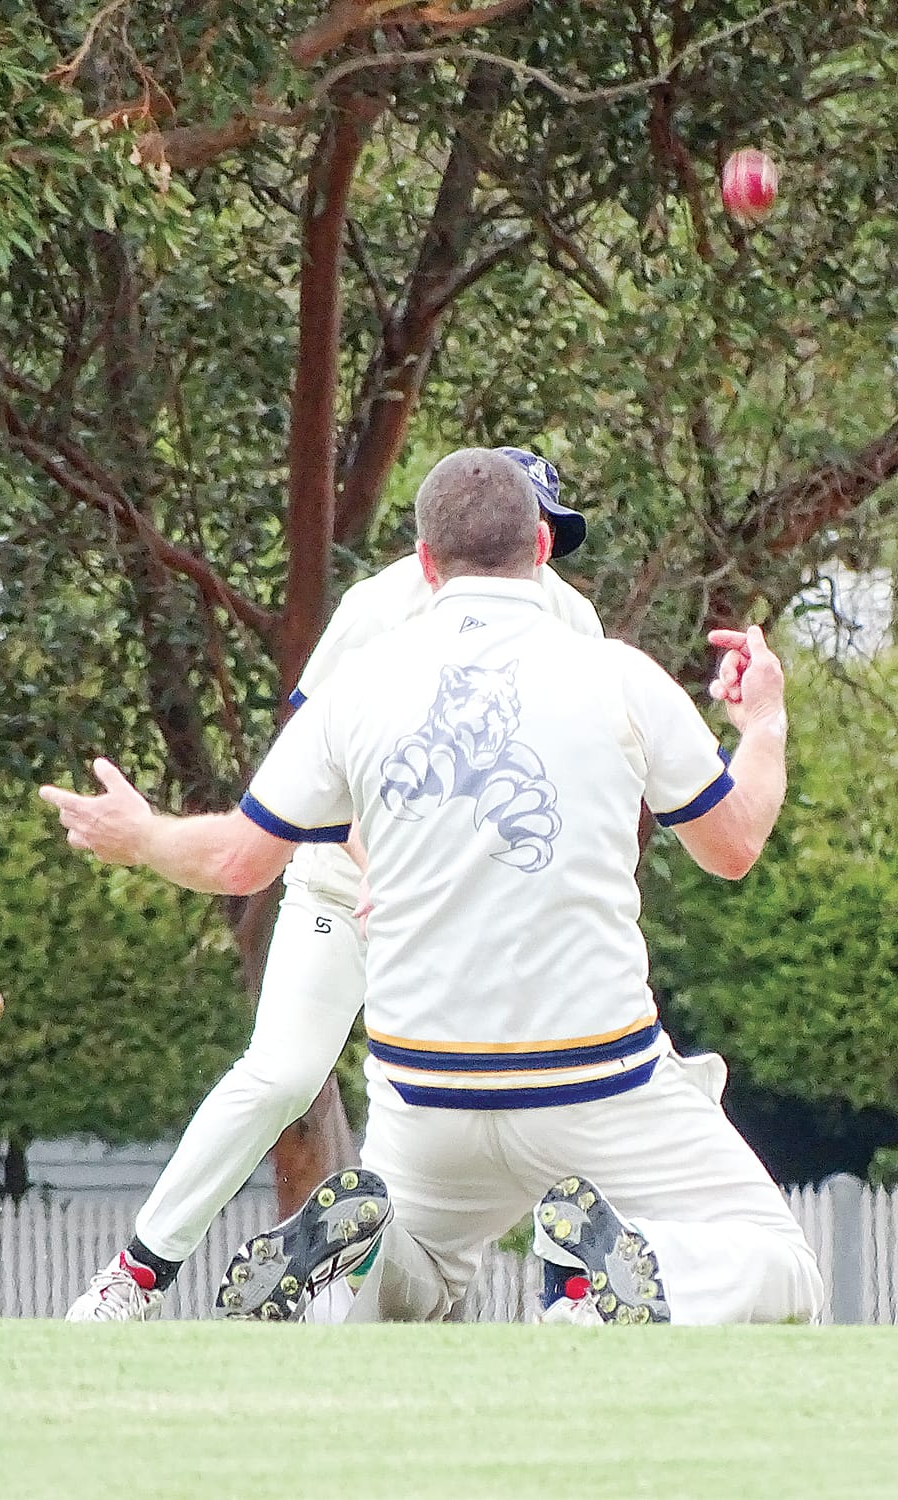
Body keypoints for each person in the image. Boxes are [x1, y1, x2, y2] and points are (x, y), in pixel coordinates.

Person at [44, 448, 821, 1325]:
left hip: (427, 1095)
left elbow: (238, 862)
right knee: (784, 1266)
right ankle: (624, 1270)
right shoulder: (619, 672)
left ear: (425, 557)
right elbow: (734, 845)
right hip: (589, 1083)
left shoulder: (362, 684)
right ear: (539, 543)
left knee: (420, 1269)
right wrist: (763, 722)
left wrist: (143, 835)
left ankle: (367, 1263)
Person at [61, 448, 599, 1320]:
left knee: (568, 1061)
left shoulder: (571, 623)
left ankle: (567, 1292)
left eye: (538, 535)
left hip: (485, 911)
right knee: (280, 1074)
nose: (524, 550)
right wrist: (387, 867)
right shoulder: (381, 608)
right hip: (341, 886)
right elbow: (319, 763)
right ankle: (134, 1277)